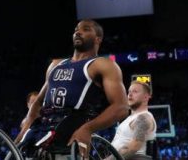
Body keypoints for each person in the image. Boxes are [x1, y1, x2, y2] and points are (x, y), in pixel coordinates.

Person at [16, 19, 129, 159]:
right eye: (76, 29)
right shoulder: (56, 64)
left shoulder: (103, 65)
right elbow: (38, 102)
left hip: (72, 124)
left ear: (98, 39)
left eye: (86, 29)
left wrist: (88, 129)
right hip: (45, 124)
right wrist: (25, 129)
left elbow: (122, 107)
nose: (78, 32)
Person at [111, 81, 157, 159]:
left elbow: (133, 148)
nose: (130, 94)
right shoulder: (130, 118)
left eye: (135, 91)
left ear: (146, 97)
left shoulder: (143, 117)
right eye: (129, 92)